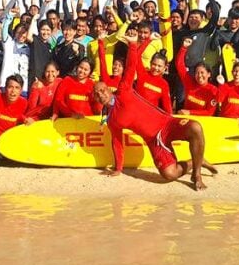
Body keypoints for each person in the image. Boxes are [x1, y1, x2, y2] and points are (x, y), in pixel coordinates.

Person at [92, 36, 217, 191]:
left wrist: (133, 44)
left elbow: (131, 66)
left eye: (102, 91)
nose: (101, 95)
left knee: (196, 128)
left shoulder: (124, 90)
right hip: (154, 141)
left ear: (109, 90)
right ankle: (197, 161)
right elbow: (117, 142)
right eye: (97, 94)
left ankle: (196, 175)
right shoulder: (111, 120)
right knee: (169, 175)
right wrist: (118, 168)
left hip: (167, 124)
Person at [175, 39, 219, 116]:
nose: (199, 76)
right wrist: (184, 48)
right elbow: (179, 65)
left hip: (203, 123)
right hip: (188, 121)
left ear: (209, 74)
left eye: (202, 73)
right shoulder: (189, 82)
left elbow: (209, 112)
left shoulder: (213, 90)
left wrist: (189, 112)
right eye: (197, 73)